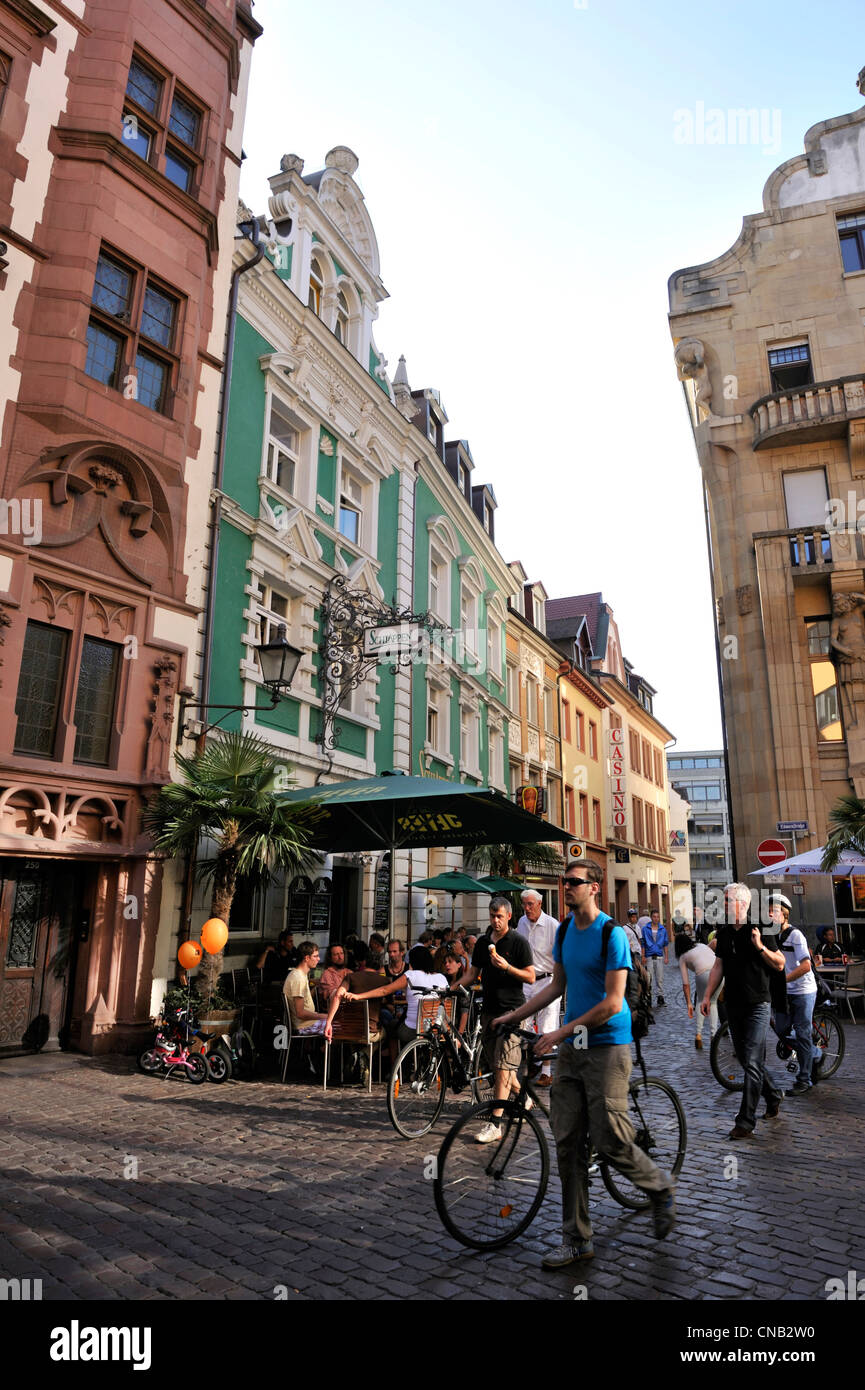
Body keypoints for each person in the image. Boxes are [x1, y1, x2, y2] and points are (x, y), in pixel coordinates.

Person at [493, 859, 675, 1267]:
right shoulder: (565, 935)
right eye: (565, 882)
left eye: (574, 882)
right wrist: (514, 1016)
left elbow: (613, 1002)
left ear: (594, 887)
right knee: (567, 1142)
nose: (567, 887)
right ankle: (577, 1239)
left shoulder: (612, 934)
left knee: (610, 1140)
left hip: (609, 1045)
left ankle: (659, 1185)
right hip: (574, 1047)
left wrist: (557, 1032)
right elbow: (556, 985)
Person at [700, 882, 786, 1139]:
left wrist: (760, 946)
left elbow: (780, 964)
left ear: (742, 904)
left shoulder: (760, 928)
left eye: (726, 900)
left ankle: (745, 1121)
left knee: (751, 1061)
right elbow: (718, 966)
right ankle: (772, 1095)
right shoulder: (724, 933)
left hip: (758, 1003)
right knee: (748, 1058)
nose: (722, 905)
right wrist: (707, 996)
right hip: (733, 1004)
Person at [456, 895, 535, 1143]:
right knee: (496, 1064)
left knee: (502, 1066)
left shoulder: (519, 942)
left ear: (509, 916)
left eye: (500, 916)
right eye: (492, 916)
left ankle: (496, 1123)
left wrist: (507, 967)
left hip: (512, 1012)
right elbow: (472, 973)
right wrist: (451, 987)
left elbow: (530, 977)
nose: (496, 921)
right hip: (488, 1010)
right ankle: (523, 1098)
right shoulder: (482, 943)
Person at [334, 945, 447, 1052]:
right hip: (439, 1028)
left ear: (412, 962)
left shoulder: (411, 975)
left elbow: (385, 990)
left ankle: (394, 1065)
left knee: (391, 1025)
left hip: (415, 1030)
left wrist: (358, 996)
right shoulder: (441, 977)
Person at [769, 894, 819, 1096]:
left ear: (785, 915)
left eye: (775, 911)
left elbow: (806, 965)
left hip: (802, 991)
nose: (770, 914)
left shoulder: (795, 935)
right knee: (781, 1030)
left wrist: (784, 980)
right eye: (768, 911)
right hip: (784, 991)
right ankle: (815, 1053)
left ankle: (804, 1079)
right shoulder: (770, 936)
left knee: (802, 1032)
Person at [515, 889, 559, 1087]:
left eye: (530, 904)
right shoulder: (521, 923)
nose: (527, 908)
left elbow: (560, 957)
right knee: (521, 1026)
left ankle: (546, 1072)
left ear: (540, 904)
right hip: (526, 982)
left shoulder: (552, 925)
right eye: (524, 904)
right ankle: (533, 1061)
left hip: (548, 981)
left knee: (546, 1027)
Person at [675, 932, 720, 1050]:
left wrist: (689, 1003)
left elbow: (686, 984)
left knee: (700, 1001)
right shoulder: (700, 945)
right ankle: (713, 1036)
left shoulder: (682, 957)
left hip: (703, 974)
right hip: (719, 972)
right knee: (713, 1003)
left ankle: (699, 1035)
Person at [283, 941, 328, 1035]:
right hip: (305, 1025)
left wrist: (316, 986)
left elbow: (305, 999)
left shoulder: (301, 975)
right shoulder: (298, 978)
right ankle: (324, 1049)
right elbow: (300, 1013)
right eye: (315, 956)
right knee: (340, 1025)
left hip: (309, 1022)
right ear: (307, 958)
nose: (318, 959)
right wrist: (323, 1016)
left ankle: (323, 1048)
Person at [641, 908, 669, 1006]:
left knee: (659, 978)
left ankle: (660, 998)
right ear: (651, 917)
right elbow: (643, 943)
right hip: (649, 957)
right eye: (654, 916)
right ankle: (648, 997)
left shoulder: (663, 929)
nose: (656, 918)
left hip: (659, 957)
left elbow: (665, 943)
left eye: (657, 917)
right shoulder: (645, 929)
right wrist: (643, 956)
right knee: (649, 978)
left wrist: (666, 957)